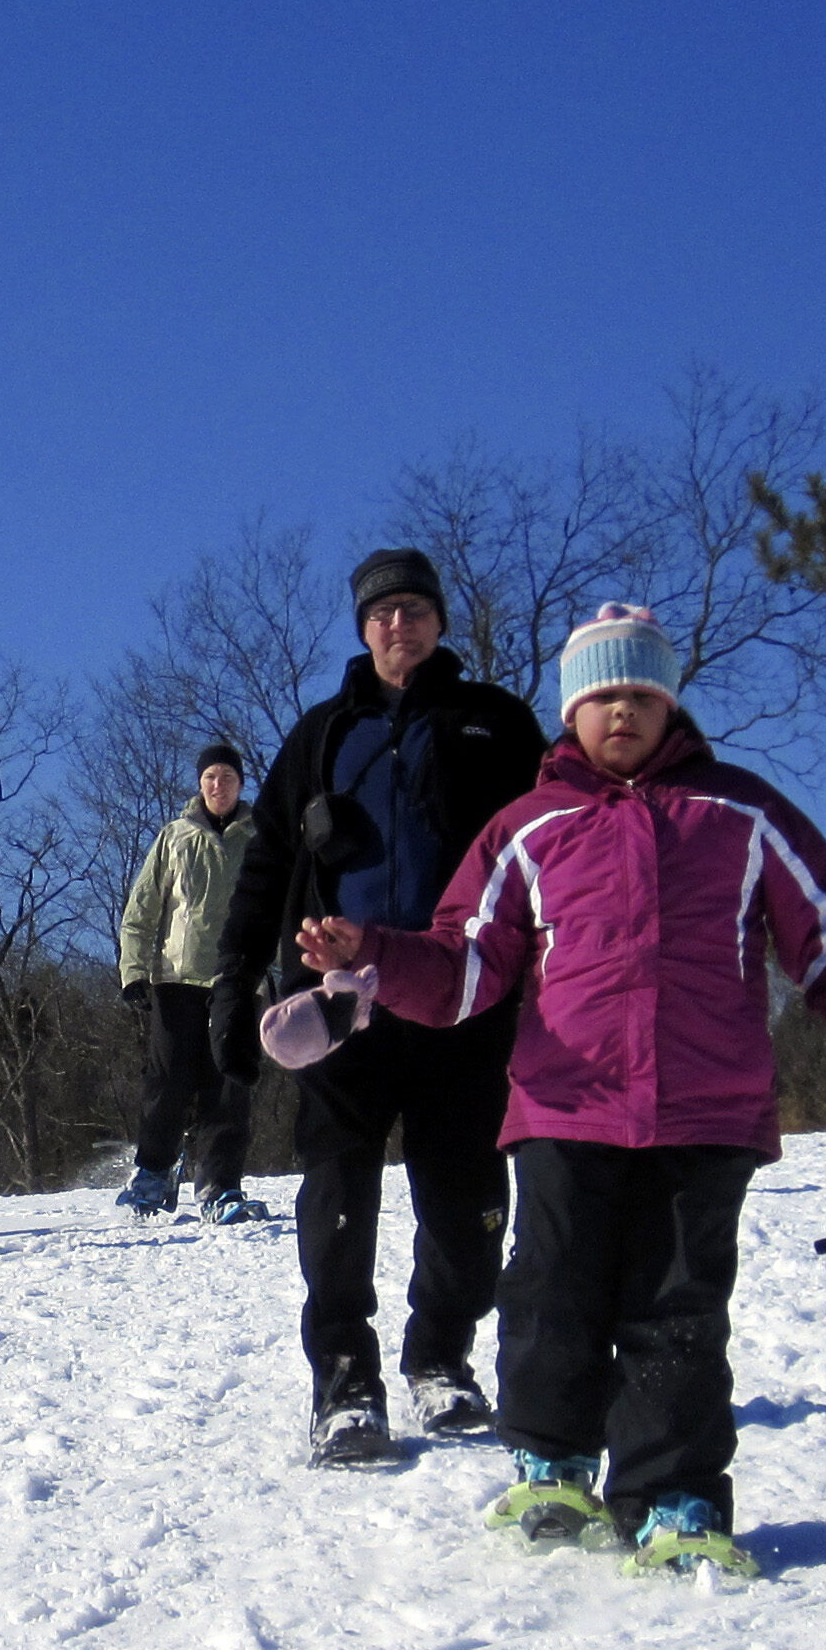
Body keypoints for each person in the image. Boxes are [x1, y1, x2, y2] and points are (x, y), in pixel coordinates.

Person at [299, 602, 826, 1573]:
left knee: (677, 1309)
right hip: (562, 1107)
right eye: (600, 697)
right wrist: (374, 952)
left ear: (669, 704)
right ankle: (547, 1463)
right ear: (570, 713)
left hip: (705, 1111)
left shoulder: (742, 812)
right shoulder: (527, 827)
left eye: (638, 693)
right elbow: (466, 965)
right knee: (549, 1292)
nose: (620, 712)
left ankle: (673, 1496)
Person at [219, 546, 549, 1461]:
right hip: (339, 1006)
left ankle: (439, 1354)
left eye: (412, 609)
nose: (397, 625)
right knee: (337, 1195)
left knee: (470, 1201)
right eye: (380, 614)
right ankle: (344, 1381)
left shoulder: (498, 723)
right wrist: (233, 977)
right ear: (363, 629)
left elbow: (554, 847)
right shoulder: (323, 735)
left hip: (462, 1000)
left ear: (441, 620)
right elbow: (267, 862)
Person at [114, 741, 262, 1222]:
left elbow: (277, 910)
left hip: (238, 979)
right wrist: (134, 970)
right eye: (210, 778)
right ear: (200, 785)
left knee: (228, 1082)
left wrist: (277, 975)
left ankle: (219, 1186)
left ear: (241, 784)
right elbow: (141, 911)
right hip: (175, 978)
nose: (218, 785)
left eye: (228, 777)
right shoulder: (175, 837)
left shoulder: (260, 838)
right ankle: (154, 1175)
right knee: (168, 1080)